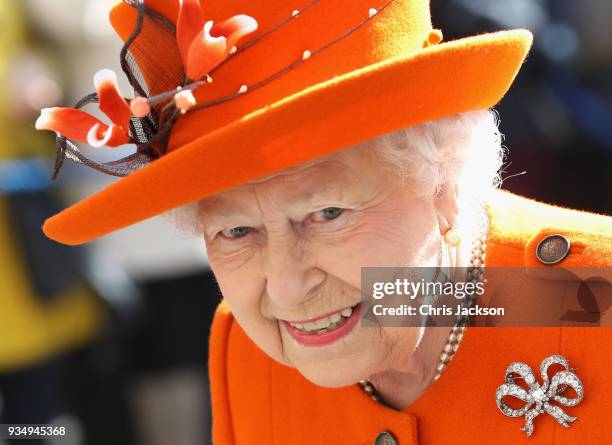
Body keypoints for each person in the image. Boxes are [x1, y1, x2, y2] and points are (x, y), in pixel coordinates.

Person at [35, 0, 611, 443]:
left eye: (327, 213)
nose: (286, 287)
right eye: (237, 231)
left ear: (445, 185)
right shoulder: (243, 348)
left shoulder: (597, 298)